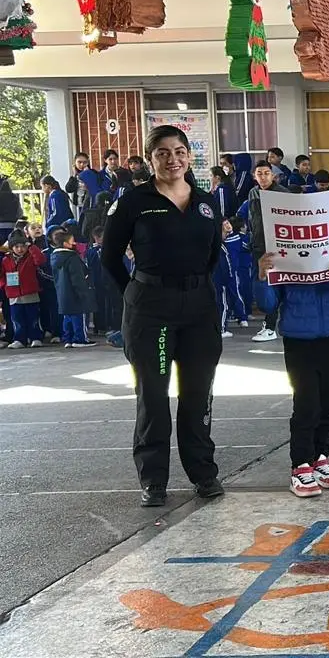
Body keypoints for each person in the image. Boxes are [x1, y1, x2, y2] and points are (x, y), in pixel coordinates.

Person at [101, 125, 226, 507]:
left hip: (199, 309)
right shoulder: (134, 201)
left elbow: (211, 256)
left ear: (189, 156)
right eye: (162, 152)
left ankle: (203, 474)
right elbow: (110, 257)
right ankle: (153, 480)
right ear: (150, 158)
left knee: (197, 395)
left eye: (179, 151)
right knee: (153, 397)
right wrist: (137, 296)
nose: (172, 158)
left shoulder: (206, 203)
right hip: (150, 310)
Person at [255, 249, 329, 497]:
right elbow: (268, 304)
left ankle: (321, 458)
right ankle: (300, 465)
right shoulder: (282, 263)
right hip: (298, 341)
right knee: (306, 404)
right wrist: (262, 277)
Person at [240, 160, 289, 342]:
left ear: (273, 175)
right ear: (254, 176)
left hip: (279, 248)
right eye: (259, 173)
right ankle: (269, 326)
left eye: (266, 173)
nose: (263, 177)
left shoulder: (283, 193)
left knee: (276, 286)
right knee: (265, 287)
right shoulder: (253, 193)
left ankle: (271, 326)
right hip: (258, 247)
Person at [50, 228, 96, 348]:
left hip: (63, 294)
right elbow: (77, 278)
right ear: (66, 244)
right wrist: (83, 293)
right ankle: (80, 339)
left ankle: (68, 339)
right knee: (79, 317)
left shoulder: (54, 257)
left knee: (67, 317)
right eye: (72, 241)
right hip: (76, 294)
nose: (75, 243)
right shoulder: (72, 258)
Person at [2, 233, 45, 349]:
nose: (20, 249)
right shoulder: (6, 260)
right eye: (16, 247)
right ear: (11, 248)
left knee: (33, 318)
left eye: (23, 246)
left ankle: (36, 337)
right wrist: (4, 285)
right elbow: (2, 275)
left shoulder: (31, 257)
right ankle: (20, 339)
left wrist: (31, 247)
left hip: (31, 293)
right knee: (17, 319)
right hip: (14, 295)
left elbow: (40, 260)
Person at [214, 219, 249, 337]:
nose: (228, 226)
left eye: (228, 223)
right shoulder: (225, 243)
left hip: (228, 275)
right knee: (223, 301)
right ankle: (223, 327)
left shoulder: (220, 242)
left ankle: (240, 317)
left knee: (231, 296)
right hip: (226, 276)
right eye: (224, 225)